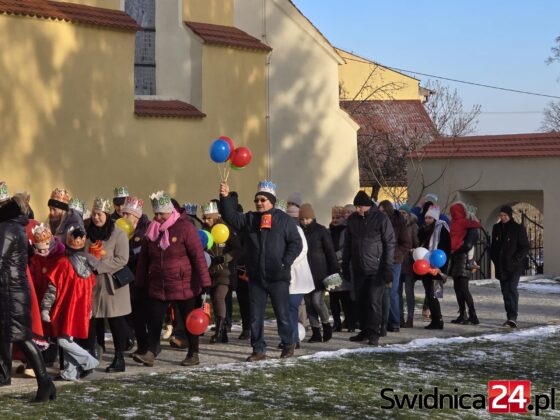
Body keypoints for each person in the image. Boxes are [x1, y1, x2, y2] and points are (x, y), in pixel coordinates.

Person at [219, 180, 303, 361]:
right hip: (256, 278)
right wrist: (225, 197)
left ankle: (288, 344)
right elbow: (230, 217)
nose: (259, 203)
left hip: (278, 278)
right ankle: (258, 350)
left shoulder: (284, 220)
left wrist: (285, 262)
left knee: (282, 315)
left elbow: (296, 243)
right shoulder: (250, 219)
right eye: (256, 200)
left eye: (263, 200)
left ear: (271, 201)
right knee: (255, 317)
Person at [134, 191, 211, 367]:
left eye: (161, 214)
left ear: (170, 211)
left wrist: (205, 283)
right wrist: (140, 282)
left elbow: (198, 256)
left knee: (188, 320)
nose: (157, 217)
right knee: (154, 319)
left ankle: (193, 353)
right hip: (158, 283)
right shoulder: (152, 230)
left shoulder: (185, 228)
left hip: (184, 284)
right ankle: (151, 352)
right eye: (155, 214)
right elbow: (144, 259)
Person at [0, 184, 56, 402]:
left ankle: (45, 382)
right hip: (11, 289)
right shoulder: (14, 227)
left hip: (11, 292)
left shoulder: (7, 228)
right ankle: (4, 375)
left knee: (22, 338)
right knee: (6, 334)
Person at [41, 227, 99, 381]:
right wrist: (89, 308)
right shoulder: (89, 266)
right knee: (68, 340)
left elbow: (52, 288)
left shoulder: (63, 263)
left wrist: (45, 308)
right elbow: (91, 290)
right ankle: (69, 373)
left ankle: (89, 361)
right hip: (81, 308)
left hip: (66, 307)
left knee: (62, 340)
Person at [83, 197, 131, 373]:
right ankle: (88, 358)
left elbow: (122, 259)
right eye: (94, 214)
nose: (96, 218)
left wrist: (99, 266)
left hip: (112, 285)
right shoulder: (87, 233)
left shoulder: (119, 234)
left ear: (107, 214)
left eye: (100, 214)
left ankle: (119, 358)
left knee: (115, 322)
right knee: (91, 322)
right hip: (92, 284)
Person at [342, 191, 395, 346]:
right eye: (356, 207)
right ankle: (364, 330)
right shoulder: (352, 220)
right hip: (358, 268)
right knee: (361, 301)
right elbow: (347, 244)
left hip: (376, 269)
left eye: (360, 207)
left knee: (373, 302)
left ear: (368, 206)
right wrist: (345, 265)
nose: (358, 209)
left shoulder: (381, 218)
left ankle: (374, 333)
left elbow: (390, 243)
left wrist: (388, 268)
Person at [201, 200, 242, 344]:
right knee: (214, 299)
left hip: (225, 272)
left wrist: (224, 258)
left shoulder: (225, 229)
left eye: (208, 218)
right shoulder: (203, 230)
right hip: (210, 271)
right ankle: (223, 332)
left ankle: (219, 331)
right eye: (204, 218)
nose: (206, 221)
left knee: (219, 297)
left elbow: (237, 249)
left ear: (216, 216)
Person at [299, 203, 338, 343]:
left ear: (312, 218)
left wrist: (334, 270)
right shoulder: (298, 231)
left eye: (307, 219)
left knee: (317, 301)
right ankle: (316, 331)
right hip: (304, 273)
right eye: (302, 219)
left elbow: (330, 251)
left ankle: (326, 325)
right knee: (309, 303)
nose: (305, 221)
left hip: (320, 273)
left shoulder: (321, 231)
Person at [121, 196, 151, 357]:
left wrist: (124, 258)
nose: (124, 217)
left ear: (136, 216)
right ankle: (136, 342)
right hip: (126, 277)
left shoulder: (144, 230)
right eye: (123, 214)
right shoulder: (123, 229)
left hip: (142, 278)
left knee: (141, 313)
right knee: (131, 313)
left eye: (127, 214)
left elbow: (140, 254)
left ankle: (147, 347)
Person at [490, 205, 530, 328]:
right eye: (501, 215)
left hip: (515, 265)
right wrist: (495, 258)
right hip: (501, 265)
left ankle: (513, 317)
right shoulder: (496, 228)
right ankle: (509, 317)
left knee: (512, 288)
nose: (503, 218)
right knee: (505, 291)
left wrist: (515, 260)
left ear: (510, 215)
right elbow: (494, 246)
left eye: (505, 215)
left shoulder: (518, 228)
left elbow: (524, 247)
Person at [378, 200, 411, 334]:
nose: (381, 214)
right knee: (380, 293)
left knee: (392, 292)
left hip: (394, 261)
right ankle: (383, 322)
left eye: (383, 211)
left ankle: (395, 322)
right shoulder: (378, 222)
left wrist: (395, 254)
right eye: (379, 211)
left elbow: (406, 243)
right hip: (379, 260)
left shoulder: (399, 222)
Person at [418, 205, 451, 330]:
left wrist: (442, 268)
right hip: (426, 266)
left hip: (438, 267)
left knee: (436, 294)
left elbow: (446, 250)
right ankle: (436, 318)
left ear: (435, 218)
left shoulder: (442, 229)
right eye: (426, 217)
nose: (427, 220)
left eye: (430, 218)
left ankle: (438, 319)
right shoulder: (424, 229)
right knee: (429, 293)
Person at [449, 202, 481, 325]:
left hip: (463, 258)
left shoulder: (466, 226)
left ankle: (472, 315)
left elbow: (468, 244)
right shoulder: (460, 223)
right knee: (458, 288)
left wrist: (455, 250)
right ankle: (463, 314)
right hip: (458, 257)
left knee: (463, 288)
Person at [328, 206, 354, 332]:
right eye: (333, 217)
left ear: (343, 218)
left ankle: (350, 322)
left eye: (338, 217)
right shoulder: (329, 231)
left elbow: (347, 248)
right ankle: (336, 322)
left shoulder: (347, 231)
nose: (335, 220)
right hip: (332, 268)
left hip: (343, 266)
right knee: (333, 297)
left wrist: (334, 255)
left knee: (345, 297)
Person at [397, 204, 418, 328]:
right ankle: (399, 317)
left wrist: (413, 250)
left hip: (409, 263)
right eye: (400, 213)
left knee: (409, 292)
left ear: (408, 215)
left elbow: (417, 243)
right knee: (397, 292)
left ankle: (410, 318)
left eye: (404, 213)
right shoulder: (396, 225)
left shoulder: (413, 226)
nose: (401, 215)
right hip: (398, 262)